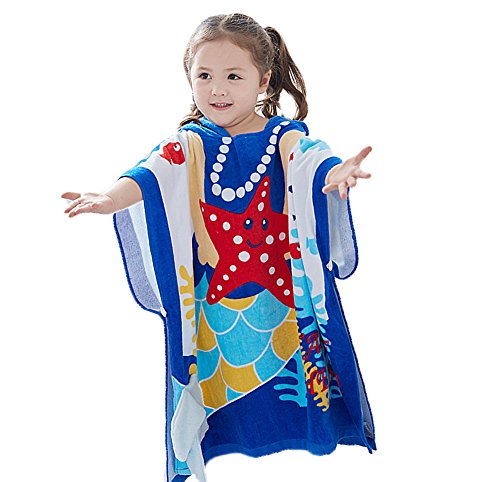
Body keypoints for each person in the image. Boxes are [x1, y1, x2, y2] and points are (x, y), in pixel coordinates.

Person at [62, 13, 376, 482]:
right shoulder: (191, 143)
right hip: (214, 304)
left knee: (295, 373)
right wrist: (111, 198)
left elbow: (309, 159)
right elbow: (149, 173)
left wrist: (335, 173)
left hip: (282, 296)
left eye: (233, 76)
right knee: (213, 379)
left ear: (263, 80)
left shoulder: (282, 135)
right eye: (204, 76)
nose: (217, 89)